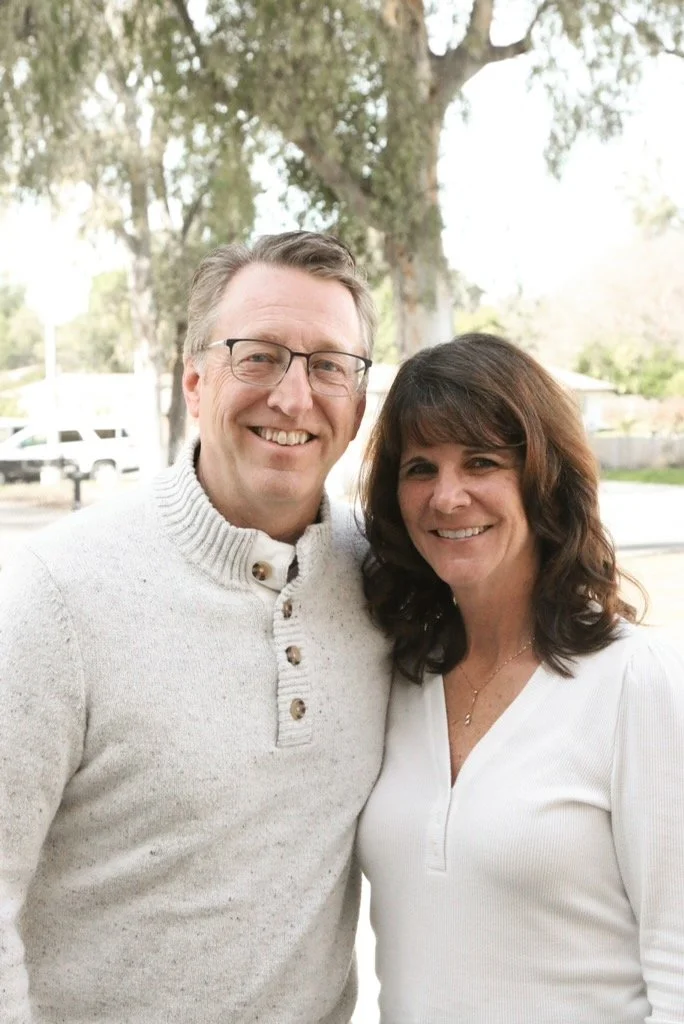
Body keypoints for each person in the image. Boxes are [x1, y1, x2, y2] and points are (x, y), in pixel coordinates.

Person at [0, 231, 391, 1024]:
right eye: (258, 356)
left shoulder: (390, 583)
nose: (294, 395)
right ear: (195, 382)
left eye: (328, 365)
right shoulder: (57, 595)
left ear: (355, 403)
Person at [357, 333, 684, 1023]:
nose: (448, 498)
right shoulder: (396, 676)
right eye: (421, 468)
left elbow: (677, 961)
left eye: (482, 462)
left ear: (545, 479)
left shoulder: (633, 681)